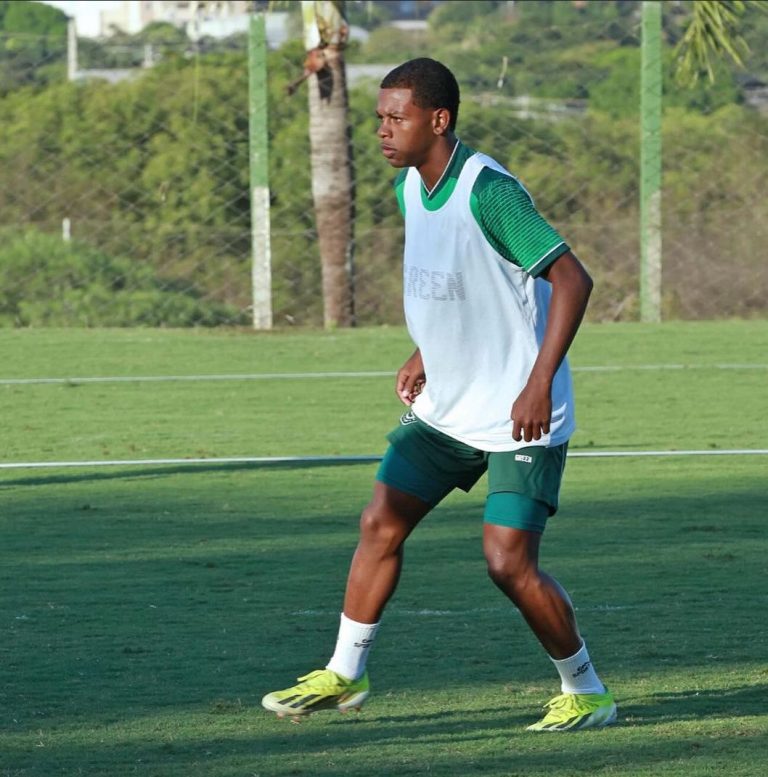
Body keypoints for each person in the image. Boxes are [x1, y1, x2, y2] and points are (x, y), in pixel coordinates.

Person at [262, 58, 616, 732]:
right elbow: (458, 278)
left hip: (521, 409)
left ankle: (587, 688)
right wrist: (426, 349)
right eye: (378, 118)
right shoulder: (407, 190)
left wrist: (539, 381)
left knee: (507, 560)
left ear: (438, 120)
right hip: (449, 403)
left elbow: (573, 278)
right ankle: (345, 673)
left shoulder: (489, 192)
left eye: (395, 118)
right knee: (379, 520)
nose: (381, 130)